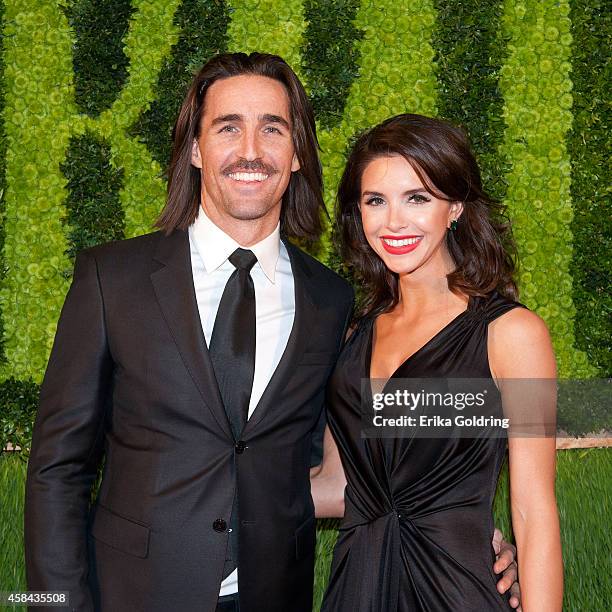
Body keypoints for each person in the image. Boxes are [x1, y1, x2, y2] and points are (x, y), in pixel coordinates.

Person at [24, 52, 518, 612]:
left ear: (297, 154)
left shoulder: (333, 302)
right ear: (195, 148)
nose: (251, 151)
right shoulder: (111, 278)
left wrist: (460, 531)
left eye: (273, 129)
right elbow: (57, 469)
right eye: (227, 127)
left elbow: (366, 459)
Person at [312, 114, 563, 611]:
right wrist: (216, 489)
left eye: (418, 198)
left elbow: (533, 513)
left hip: (454, 591)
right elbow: (338, 487)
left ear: (456, 208)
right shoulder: (351, 338)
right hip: (357, 590)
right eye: (375, 201)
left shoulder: (512, 335)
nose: (394, 222)